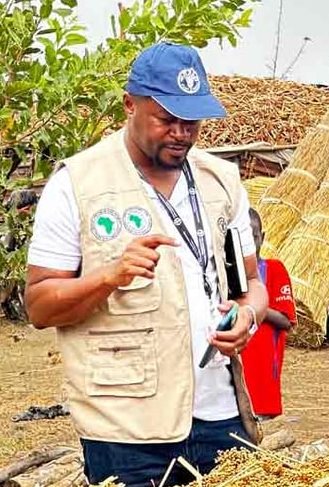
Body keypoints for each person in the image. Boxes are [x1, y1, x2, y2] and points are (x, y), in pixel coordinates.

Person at [24, 42, 269, 487]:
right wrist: (109, 276)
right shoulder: (77, 184)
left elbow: (250, 282)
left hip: (220, 417)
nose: (181, 133)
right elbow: (40, 306)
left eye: (191, 121)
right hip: (126, 428)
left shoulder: (221, 182)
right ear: (129, 105)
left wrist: (247, 314)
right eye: (166, 119)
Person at [240, 208, 297, 419]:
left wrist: (251, 308)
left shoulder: (273, 270)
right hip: (233, 373)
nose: (248, 242)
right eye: (241, 236)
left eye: (253, 236)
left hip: (263, 374)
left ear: (262, 238)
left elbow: (285, 320)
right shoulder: (222, 272)